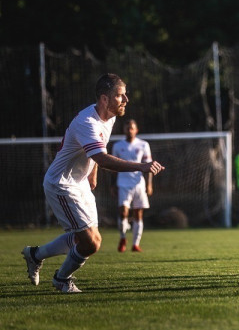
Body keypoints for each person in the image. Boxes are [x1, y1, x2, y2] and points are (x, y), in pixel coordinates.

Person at [21, 74, 165, 293]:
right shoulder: (87, 122)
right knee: (90, 243)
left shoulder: (110, 117)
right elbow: (103, 158)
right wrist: (141, 166)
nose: (126, 99)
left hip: (80, 184)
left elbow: (100, 148)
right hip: (62, 184)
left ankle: (35, 255)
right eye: (120, 95)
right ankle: (61, 279)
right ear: (104, 99)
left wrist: (92, 174)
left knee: (88, 240)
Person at [110, 119, 154, 252]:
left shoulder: (143, 145)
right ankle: (123, 236)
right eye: (127, 128)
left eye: (132, 128)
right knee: (123, 212)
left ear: (136, 130)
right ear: (124, 130)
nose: (129, 130)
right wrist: (113, 184)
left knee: (138, 214)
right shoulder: (117, 146)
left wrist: (149, 184)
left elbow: (149, 165)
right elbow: (112, 167)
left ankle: (135, 244)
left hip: (139, 184)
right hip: (122, 183)